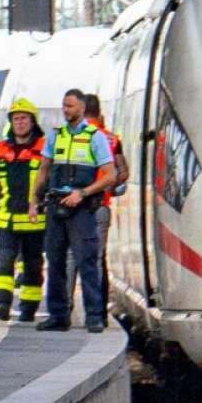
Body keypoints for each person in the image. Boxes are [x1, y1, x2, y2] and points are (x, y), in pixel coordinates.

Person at [29, 89, 116, 333]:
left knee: (87, 261)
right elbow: (44, 169)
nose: (66, 110)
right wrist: (34, 201)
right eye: (64, 106)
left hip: (81, 208)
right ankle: (58, 316)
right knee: (55, 262)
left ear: (81, 108)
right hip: (56, 205)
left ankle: (94, 316)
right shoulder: (55, 136)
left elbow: (110, 175)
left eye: (70, 106)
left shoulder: (95, 137)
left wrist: (83, 193)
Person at [0, 98, 46, 324]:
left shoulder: (44, 150)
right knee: (4, 262)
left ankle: (28, 309)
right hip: (7, 221)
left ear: (32, 122)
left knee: (33, 266)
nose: (20, 123)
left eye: (24, 118)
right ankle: (2, 303)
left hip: (35, 222)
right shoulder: (1, 150)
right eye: (16, 119)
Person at [65, 93, 128, 320]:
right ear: (100, 113)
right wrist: (107, 186)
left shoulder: (71, 136)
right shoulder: (111, 139)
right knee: (95, 258)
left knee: (71, 256)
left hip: (73, 205)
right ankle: (97, 312)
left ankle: (65, 307)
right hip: (100, 205)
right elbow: (123, 172)